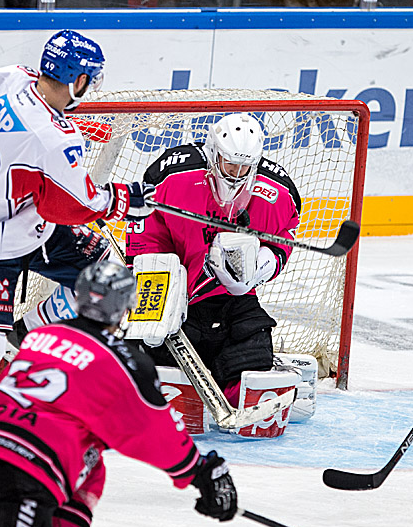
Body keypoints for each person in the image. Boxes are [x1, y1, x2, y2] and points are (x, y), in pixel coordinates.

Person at [0, 30, 155, 491]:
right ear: (76, 80)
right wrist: (123, 199)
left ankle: (25, 333)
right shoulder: (54, 136)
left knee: (109, 282)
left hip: (27, 221)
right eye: (90, 78)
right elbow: (67, 206)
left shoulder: (13, 78)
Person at [0, 260, 237, 527]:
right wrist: (201, 471)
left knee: (89, 464)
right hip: (24, 461)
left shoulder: (41, 336)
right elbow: (156, 432)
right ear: (125, 307)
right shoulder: (125, 363)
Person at [124, 113, 300, 410]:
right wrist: (155, 293)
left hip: (232, 299)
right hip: (178, 294)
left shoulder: (275, 192)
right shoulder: (173, 177)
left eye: (246, 166)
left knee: (253, 348)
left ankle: (237, 390)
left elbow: (282, 238)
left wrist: (258, 268)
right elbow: (145, 230)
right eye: (230, 163)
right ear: (213, 153)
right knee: (153, 353)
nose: (237, 172)